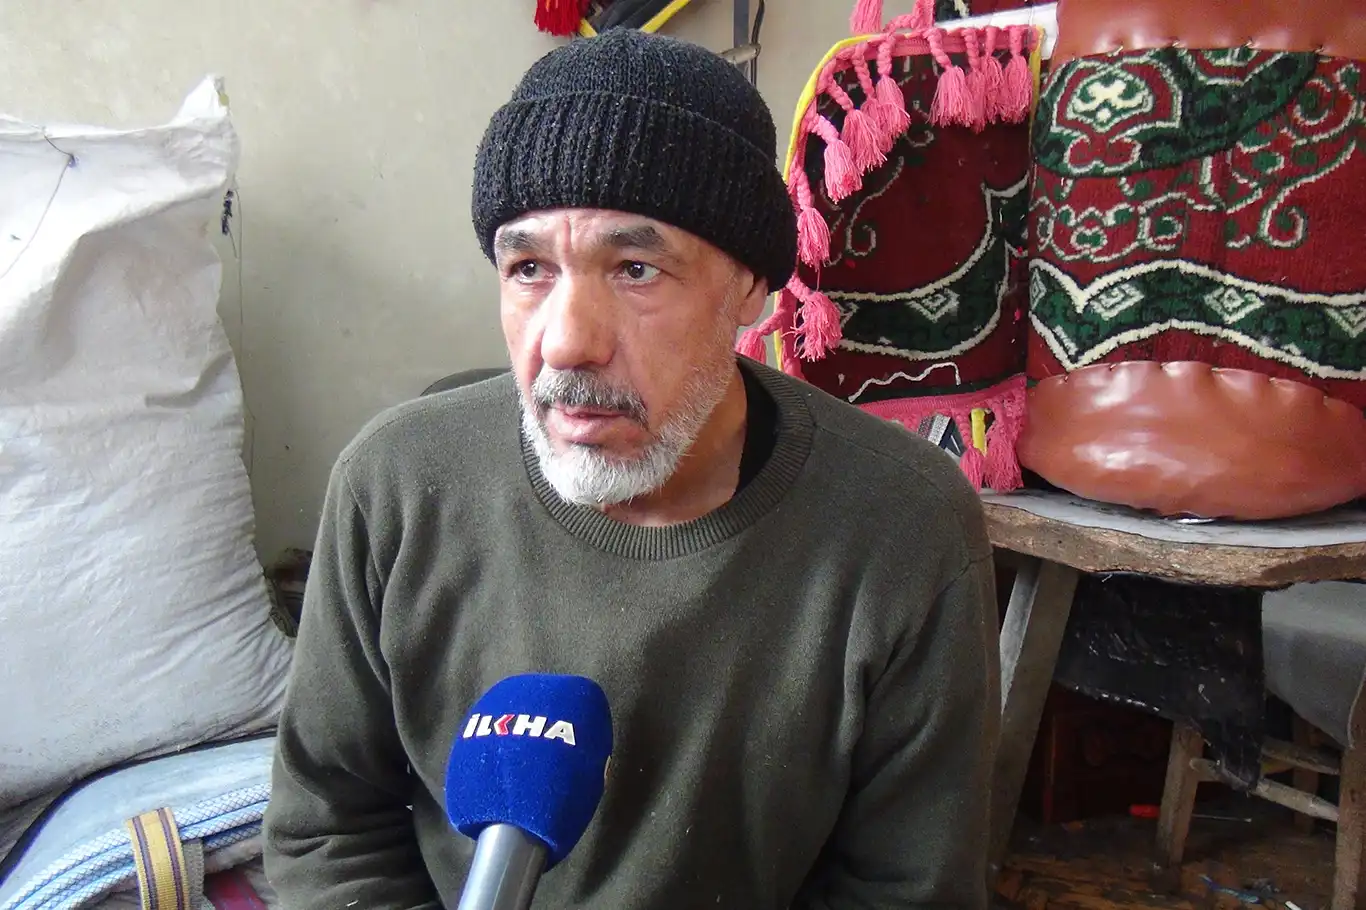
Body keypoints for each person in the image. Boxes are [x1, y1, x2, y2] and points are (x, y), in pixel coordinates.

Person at [263, 26, 1000, 910]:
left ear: (750, 288)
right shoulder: (394, 486)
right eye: (528, 268)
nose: (567, 342)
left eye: (637, 268)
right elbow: (327, 830)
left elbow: (907, 891)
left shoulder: (902, 525)